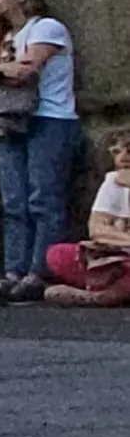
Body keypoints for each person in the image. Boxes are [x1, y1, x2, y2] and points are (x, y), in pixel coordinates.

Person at [0, 0, 82, 304]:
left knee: (43, 197)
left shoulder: (46, 28)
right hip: (8, 118)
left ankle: (41, 269)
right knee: (13, 200)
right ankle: (14, 269)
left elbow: (26, 70)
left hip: (48, 118)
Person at [40, 129, 130, 306]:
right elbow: (97, 229)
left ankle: (103, 296)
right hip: (120, 255)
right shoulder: (112, 182)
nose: (123, 157)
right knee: (57, 254)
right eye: (117, 152)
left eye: (129, 151)